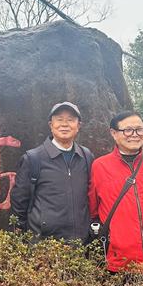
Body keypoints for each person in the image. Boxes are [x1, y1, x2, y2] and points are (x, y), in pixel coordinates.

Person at [87, 111, 143, 272]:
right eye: (128, 130)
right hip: (120, 262)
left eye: (139, 129)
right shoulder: (100, 167)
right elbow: (94, 208)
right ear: (114, 133)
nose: (135, 135)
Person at [10, 102, 94, 244]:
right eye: (59, 119)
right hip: (45, 245)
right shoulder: (33, 158)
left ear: (78, 125)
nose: (65, 124)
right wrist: (26, 240)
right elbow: (19, 203)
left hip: (82, 243)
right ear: (51, 124)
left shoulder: (86, 156)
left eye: (70, 120)